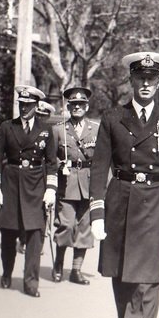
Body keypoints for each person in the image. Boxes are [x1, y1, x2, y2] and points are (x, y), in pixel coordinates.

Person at [89, 51, 159, 318]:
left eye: (151, 79)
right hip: (120, 202)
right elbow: (99, 167)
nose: (145, 84)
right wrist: (97, 213)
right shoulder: (113, 118)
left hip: (156, 203)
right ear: (131, 80)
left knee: (148, 283)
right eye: (140, 78)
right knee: (123, 283)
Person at [0, 85, 58, 298]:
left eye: (28, 105)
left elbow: (51, 162)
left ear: (36, 106)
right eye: (22, 105)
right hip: (10, 183)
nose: (24, 109)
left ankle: (31, 283)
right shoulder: (7, 127)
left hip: (35, 185)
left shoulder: (46, 129)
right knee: (8, 233)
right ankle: (7, 272)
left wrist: (51, 189)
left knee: (35, 235)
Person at [51, 87, 98, 285]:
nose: (77, 107)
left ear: (86, 107)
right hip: (67, 183)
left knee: (85, 228)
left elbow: (104, 159)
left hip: (88, 183)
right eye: (73, 105)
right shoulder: (58, 130)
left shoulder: (96, 129)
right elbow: (50, 158)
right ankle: (59, 265)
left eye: (81, 104)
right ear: (68, 107)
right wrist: (58, 165)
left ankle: (76, 270)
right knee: (66, 225)